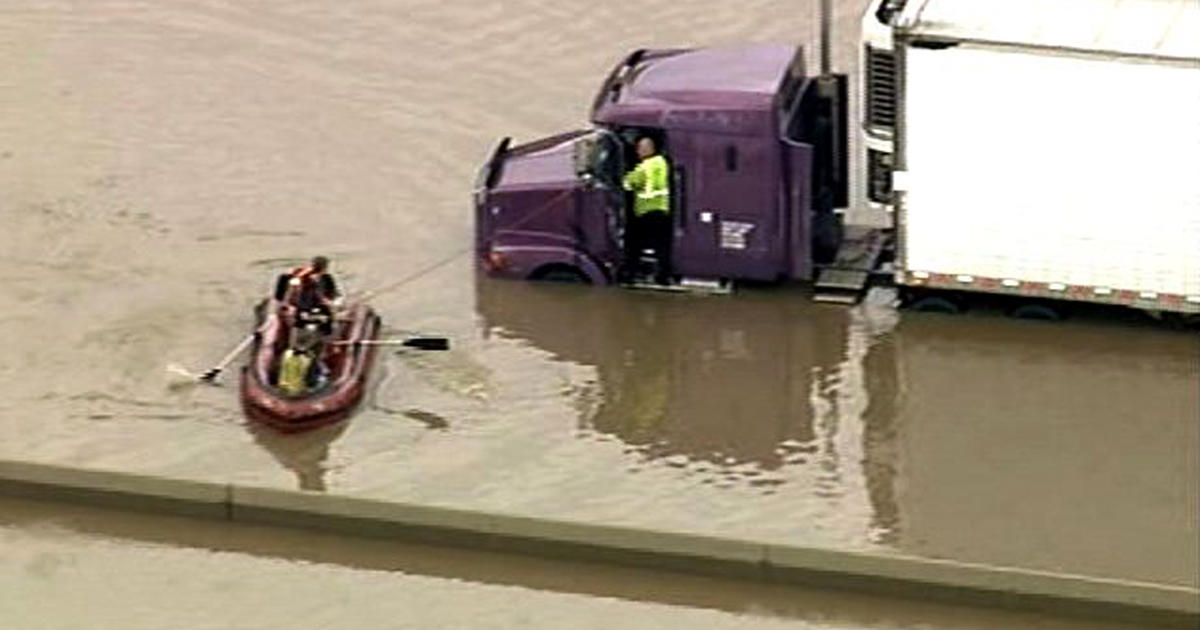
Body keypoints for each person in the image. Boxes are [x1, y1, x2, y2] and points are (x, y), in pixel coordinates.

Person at [622, 137, 671, 284]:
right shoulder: (662, 163)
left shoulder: (644, 167)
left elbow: (627, 184)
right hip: (661, 209)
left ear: (648, 149)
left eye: (639, 148)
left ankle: (631, 274)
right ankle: (663, 276)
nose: (637, 151)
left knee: (633, 244)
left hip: (645, 210)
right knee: (661, 246)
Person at [274, 256, 342, 335]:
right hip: (302, 304)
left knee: (326, 319)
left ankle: (325, 334)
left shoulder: (325, 278)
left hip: (311, 305)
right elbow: (292, 291)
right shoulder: (302, 276)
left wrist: (329, 303)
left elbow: (328, 295)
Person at [276, 325, 325, 396]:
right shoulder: (289, 353)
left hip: (305, 354)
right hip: (300, 353)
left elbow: (314, 341)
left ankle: (294, 389)